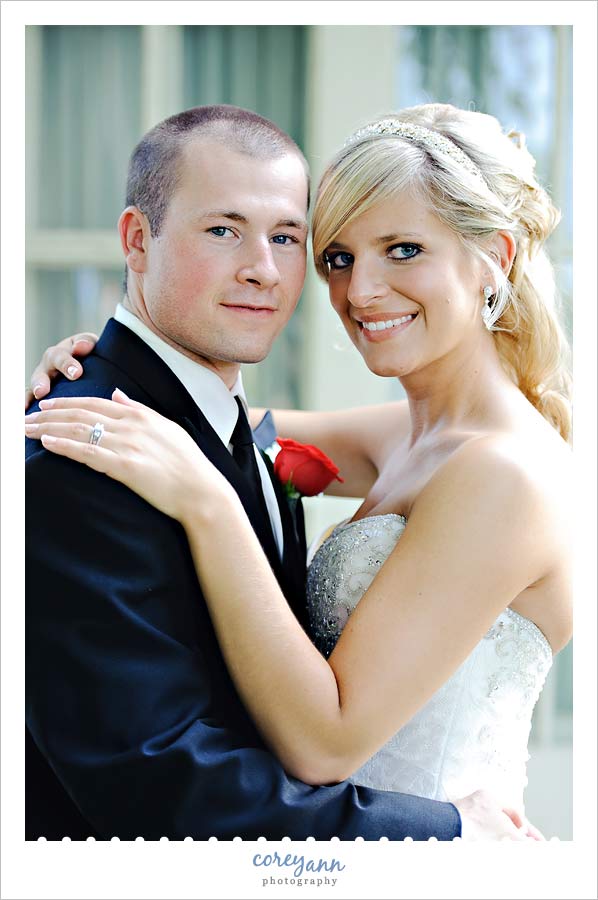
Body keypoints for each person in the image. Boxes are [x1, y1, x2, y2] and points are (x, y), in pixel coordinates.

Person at [26, 104, 571, 834]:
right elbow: (222, 426)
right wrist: (87, 368)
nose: (362, 292)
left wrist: (207, 504)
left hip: (437, 846)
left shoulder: (501, 472)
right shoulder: (401, 437)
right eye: (339, 257)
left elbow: (325, 740)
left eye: (403, 249)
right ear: (137, 241)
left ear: (494, 259)